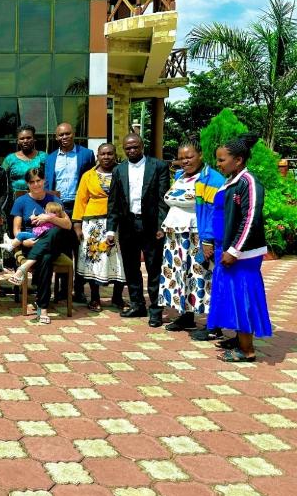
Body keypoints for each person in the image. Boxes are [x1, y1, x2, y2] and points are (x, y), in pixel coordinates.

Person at [208, 134, 270, 362]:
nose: (218, 164)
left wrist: (234, 250)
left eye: (222, 160)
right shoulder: (232, 180)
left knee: (243, 296)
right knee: (231, 296)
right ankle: (238, 338)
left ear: (239, 160)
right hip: (227, 249)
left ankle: (247, 350)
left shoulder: (249, 182)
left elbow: (250, 218)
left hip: (241, 255)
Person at [159, 136, 225, 331]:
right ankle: (186, 316)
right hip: (176, 237)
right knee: (181, 277)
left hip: (198, 236)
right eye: (181, 157)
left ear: (200, 155)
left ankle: (214, 324)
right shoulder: (179, 176)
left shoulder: (211, 178)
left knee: (203, 278)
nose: (185, 161)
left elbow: (216, 212)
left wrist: (209, 240)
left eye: (189, 156)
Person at [106, 133, 170, 327]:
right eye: (128, 148)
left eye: (135, 146)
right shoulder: (119, 170)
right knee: (131, 267)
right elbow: (114, 201)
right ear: (124, 149)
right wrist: (111, 229)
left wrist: (161, 225)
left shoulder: (158, 166)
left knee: (153, 268)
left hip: (151, 226)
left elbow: (163, 200)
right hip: (127, 225)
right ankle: (137, 304)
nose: (132, 150)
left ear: (142, 146)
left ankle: (156, 310)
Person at [10, 168, 73, 323]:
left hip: (53, 244)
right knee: (45, 257)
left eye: (39, 180)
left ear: (44, 180)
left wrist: (49, 219)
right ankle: (43, 307)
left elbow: (68, 225)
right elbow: (17, 230)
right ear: (27, 184)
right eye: (32, 182)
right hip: (31, 243)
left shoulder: (54, 200)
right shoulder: (21, 201)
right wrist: (24, 242)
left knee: (53, 233)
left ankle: (24, 268)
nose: (36, 184)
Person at [45, 122, 96, 303]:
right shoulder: (50, 158)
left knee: (79, 248)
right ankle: (63, 290)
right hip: (58, 207)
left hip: (79, 206)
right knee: (62, 247)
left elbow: (92, 179)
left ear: (73, 134)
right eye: (60, 135)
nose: (64, 137)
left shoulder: (86, 155)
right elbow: (48, 185)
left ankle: (79, 289)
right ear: (56, 137)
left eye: (67, 133)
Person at [72, 143, 126, 311]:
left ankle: (117, 297)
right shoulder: (88, 176)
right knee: (95, 259)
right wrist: (77, 225)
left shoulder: (123, 172)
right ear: (97, 155)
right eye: (103, 154)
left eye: (110, 153)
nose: (106, 157)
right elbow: (80, 200)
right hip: (94, 224)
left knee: (119, 260)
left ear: (115, 154)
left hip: (118, 222)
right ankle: (95, 298)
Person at [3, 124, 47, 192]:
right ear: (18, 141)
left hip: (38, 198)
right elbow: (2, 180)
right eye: (22, 138)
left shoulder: (43, 157)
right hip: (15, 199)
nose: (25, 141)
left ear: (34, 139)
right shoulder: (10, 159)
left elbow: (50, 179)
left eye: (28, 138)